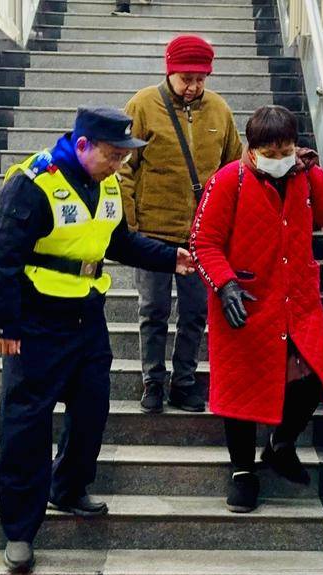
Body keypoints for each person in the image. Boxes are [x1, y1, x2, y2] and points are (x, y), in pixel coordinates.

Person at [0, 107, 195, 573]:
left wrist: (168, 258)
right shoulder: (33, 182)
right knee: (26, 425)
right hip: (37, 319)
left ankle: (68, 488)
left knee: (92, 408)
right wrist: (4, 325)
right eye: (113, 155)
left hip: (87, 315)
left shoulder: (108, 184)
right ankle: (19, 530)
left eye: (125, 156)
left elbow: (119, 242)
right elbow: (0, 257)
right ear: (83, 145)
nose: (120, 164)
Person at [190, 105, 323, 513]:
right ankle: (242, 472)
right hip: (245, 302)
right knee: (242, 390)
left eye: (285, 150)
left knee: (314, 377)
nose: (279, 158)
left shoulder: (307, 176)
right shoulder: (228, 180)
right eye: (269, 152)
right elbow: (203, 242)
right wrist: (225, 284)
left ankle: (280, 445)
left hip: (297, 301)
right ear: (252, 149)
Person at [120, 34, 243, 414]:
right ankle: (152, 381)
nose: (193, 86)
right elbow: (124, 170)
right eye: (186, 78)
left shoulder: (219, 111)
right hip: (153, 234)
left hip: (202, 237)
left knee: (195, 312)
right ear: (169, 71)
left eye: (200, 79)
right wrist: (130, 227)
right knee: (153, 310)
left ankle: (184, 381)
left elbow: (234, 169)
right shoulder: (143, 105)